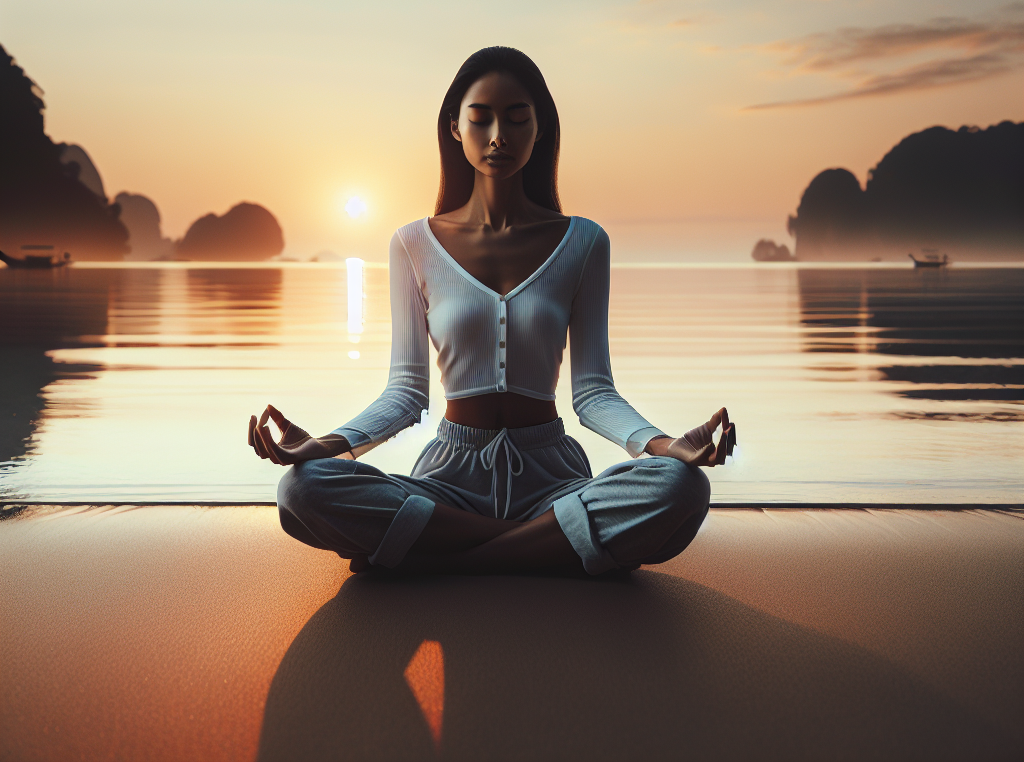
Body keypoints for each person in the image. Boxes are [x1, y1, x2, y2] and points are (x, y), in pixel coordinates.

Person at [247, 47, 735, 576]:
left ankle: (443, 554)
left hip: (554, 479)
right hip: (448, 481)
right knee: (303, 487)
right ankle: (547, 546)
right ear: (455, 128)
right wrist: (330, 443)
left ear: (540, 128)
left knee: (681, 486)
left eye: (517, 118)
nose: (498, 134)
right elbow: (406, 393)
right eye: (480, 119)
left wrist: (665, 446)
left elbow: (593, 393)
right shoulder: (413, 244)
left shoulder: (584, 242)